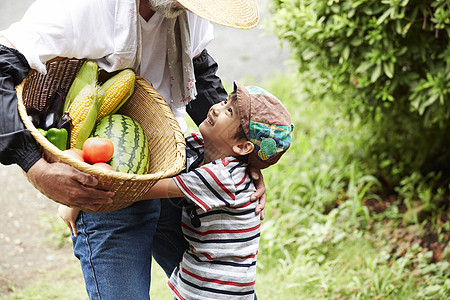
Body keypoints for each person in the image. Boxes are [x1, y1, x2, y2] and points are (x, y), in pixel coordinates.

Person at [0, 1, 268, 299]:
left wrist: (244, 158)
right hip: (106, 188)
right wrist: (34, 165)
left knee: (223, 292)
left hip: (175, 171)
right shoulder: (83, 7)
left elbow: (196, 69)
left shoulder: (191, 11)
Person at [59, 82, 294, 299]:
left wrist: (74, 199)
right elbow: (165, 151)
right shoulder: (199, 146)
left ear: (243, 147)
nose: (216, 109)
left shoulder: (222, 177)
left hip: (214, 293)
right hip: (207, 283)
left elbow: (139, 189)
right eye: (225, 102)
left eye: (229, 112)